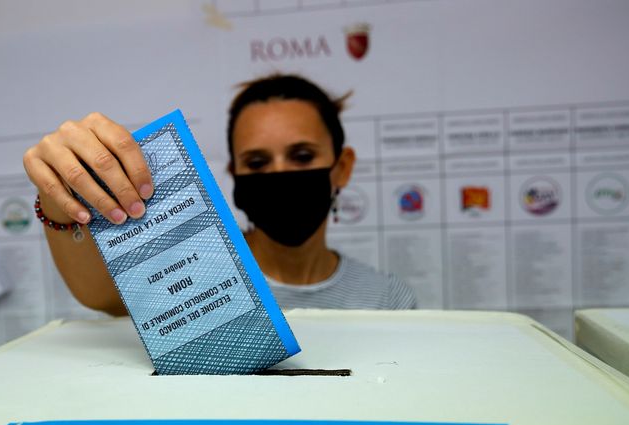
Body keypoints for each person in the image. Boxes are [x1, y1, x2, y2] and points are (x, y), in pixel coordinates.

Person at [24, 74, 415, 316]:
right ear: (235, 174)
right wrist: (60, 195)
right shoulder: (195, 273)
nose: (279, 175)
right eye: (257, 162)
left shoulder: (388, 299)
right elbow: (98, 296)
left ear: (342, 166)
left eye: (301, 156)